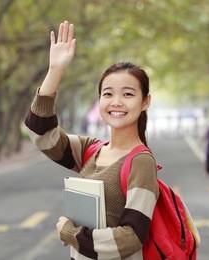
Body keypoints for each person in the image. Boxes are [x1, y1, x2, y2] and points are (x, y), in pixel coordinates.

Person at [24, 21, 158, 259]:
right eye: (108, 94)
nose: (116, 102)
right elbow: (40, 133)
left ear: (145, 101)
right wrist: (55, 71)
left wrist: (72, 234)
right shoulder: (91, 150)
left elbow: (132, 237)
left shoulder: (141, 162)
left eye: (128, 94)